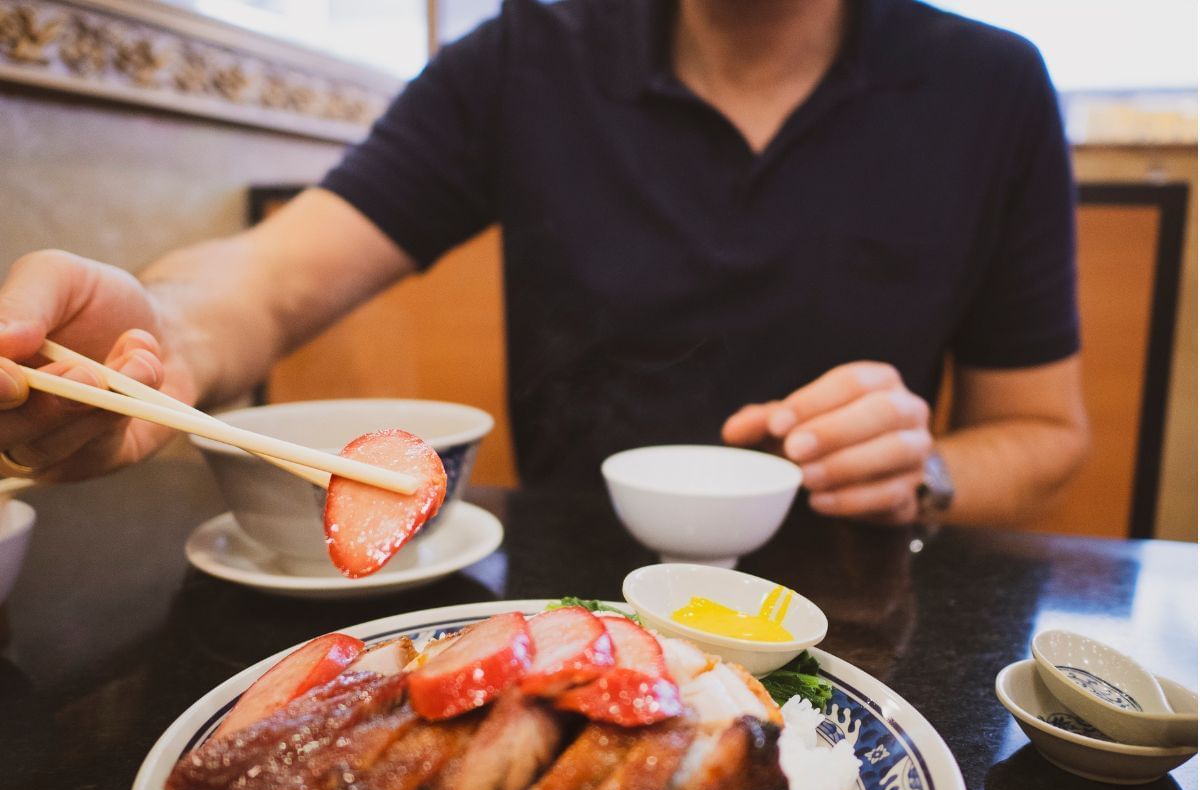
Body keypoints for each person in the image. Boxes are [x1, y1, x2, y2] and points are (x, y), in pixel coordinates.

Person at [0, 0, 1088, 527]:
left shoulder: (988, 87)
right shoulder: (530, 53)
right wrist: (157, 344)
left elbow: (1044, 431)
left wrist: (924, 472)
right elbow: (273, 279)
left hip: (859, 600)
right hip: (570, 597)